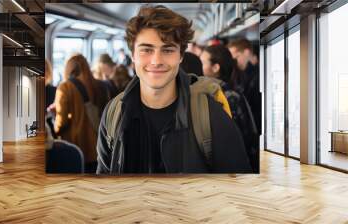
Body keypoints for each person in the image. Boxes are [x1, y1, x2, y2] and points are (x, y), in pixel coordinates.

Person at [96, 5, 251, 174]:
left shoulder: (210, 116)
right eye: (146, 50)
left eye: (168, 50)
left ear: (181, 56)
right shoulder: (113, 113)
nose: (156, 61)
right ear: (133, 55)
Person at [200, 44, 259, 172]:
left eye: (202, 62)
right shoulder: (230, 93)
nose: (199, 66)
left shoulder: (227, 97)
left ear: (215, 67)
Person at [54, 54, 109, 172]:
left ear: (68, 69)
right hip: (97, 146)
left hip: (75, 147)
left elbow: (61, 122)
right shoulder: (100, 86)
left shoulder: (65, 87)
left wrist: (54, 130)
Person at [227, 38, 261, 137]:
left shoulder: (260, 74)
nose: (235, 62)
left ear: (246, 52)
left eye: (236, 57)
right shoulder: (240, 75)